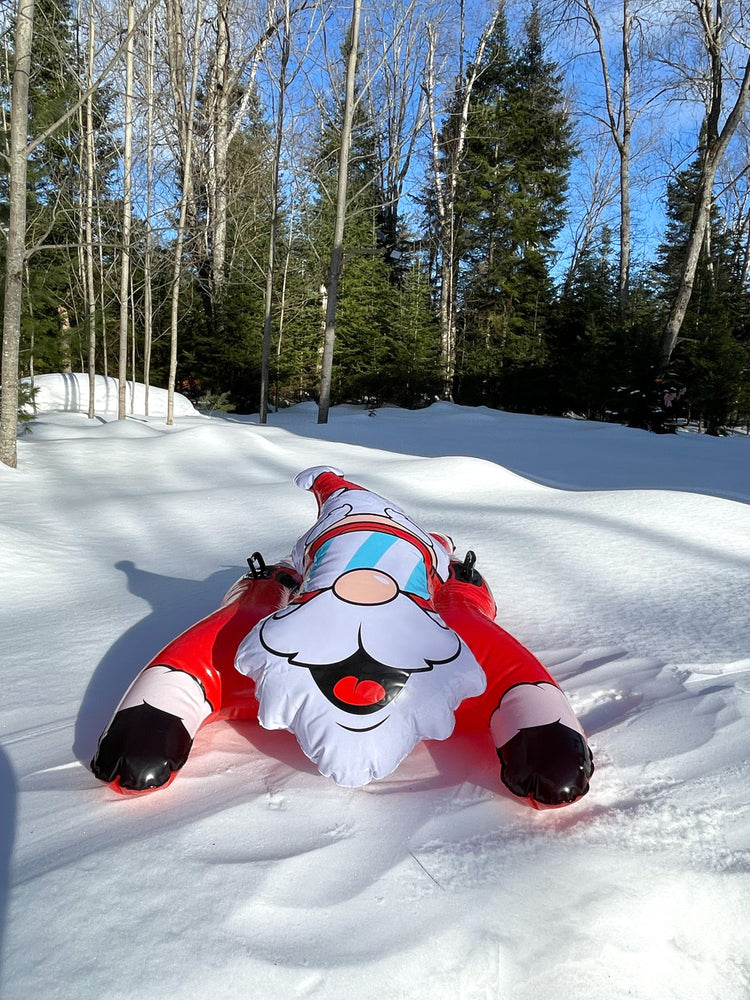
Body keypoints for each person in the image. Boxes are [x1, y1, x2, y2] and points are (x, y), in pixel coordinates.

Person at [91, 467, 593, 807]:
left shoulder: (445, 641)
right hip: (333, 549)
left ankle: (435, 558)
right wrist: (158, 719)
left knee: (460, 598)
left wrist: (542, 734)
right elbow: (207, 655)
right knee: (263, 594)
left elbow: (507, 670)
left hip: (400, 552)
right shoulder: (275, 639)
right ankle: (291, 562)